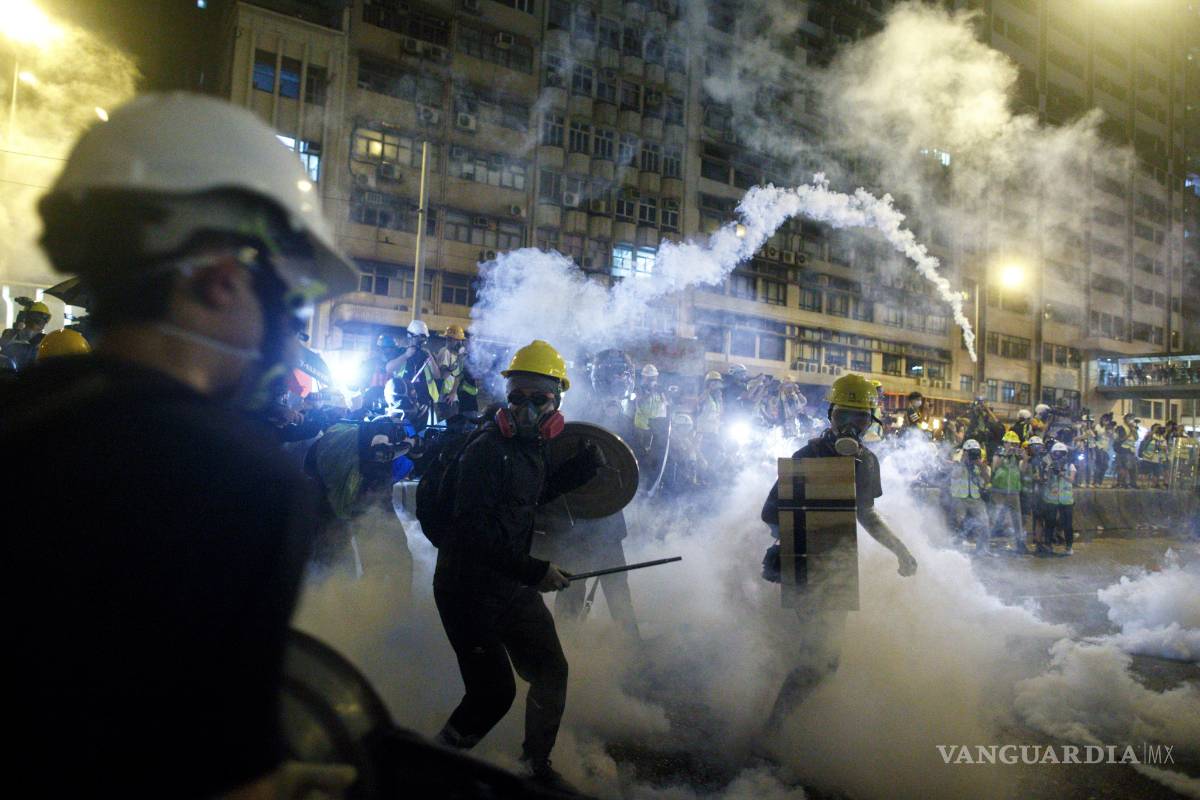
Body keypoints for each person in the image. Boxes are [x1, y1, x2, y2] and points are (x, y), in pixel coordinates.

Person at [2, 94, 360, 798]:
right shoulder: (242, 482)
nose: (283, 331)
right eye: (284, 301)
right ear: (221, 280)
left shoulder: (21, 412)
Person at [433, 339, 604, 789]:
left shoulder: (532, 448)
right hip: (467, 589)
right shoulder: (486, 452)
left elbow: (523, 502)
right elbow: (472, 535)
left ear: (558, 403)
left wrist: (577, 473)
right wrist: (536, 571)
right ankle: (428, 770)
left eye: (538, 399)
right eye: (517, 398)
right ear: (506, 401)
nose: (526, 409)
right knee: (493, 694)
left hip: (509, 586)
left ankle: (535, 768)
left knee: (551, 672)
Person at [760, 373, 917, 728]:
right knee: (821, 659)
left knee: (821, 657)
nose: (850, 425)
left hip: (837, 566)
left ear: (869, 421)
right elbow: (769, 513)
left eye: (858, 417)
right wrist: (795, 533)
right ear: (830, 415)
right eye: (843, 416)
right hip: (805, 564)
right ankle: (774, 729)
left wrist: (900, 551)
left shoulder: (867, 462)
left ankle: (792, 722)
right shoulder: (808, 455)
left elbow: (867, 515)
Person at [949, 439, 992, 554]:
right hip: (960, 497)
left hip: (975, 498)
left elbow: (987, 480)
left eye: (976, 452)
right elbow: (954, 476)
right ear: (965, 452)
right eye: (971, 452)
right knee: (959, 522)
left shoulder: (979, 464)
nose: (974, 455)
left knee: (984, 522)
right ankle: (956, 549)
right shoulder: (958, 461)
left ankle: (983, 549)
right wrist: (962, 462)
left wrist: (981, 466)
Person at [990, 430, 1027, 554]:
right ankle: (986, 542)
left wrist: (1024, 458)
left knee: (1017, 519)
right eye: (1010, 444)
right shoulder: (998, 453)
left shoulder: (1017, 456)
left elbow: (1022, 470)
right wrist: (1005, 454)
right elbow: (995, 467)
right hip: (999, 490)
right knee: (994, 516)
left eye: (1015, 444)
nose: (1013, 446)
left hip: (1013, 491)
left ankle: (1020, 544)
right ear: (1005, 443)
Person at [436, 324, 479, 419]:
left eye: (461, 341)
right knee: (449, 427)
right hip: (444, 398)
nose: (460, 343)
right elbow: (443, 375)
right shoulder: (445, 352)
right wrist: (458, 361)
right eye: (458, 340)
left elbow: (457, 376)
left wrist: (453, 392)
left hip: (452, 398)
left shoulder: (455, 355)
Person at [1041, 442, 1077, 555]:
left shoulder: (1070, 465)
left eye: (1061, 453)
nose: (1058, 455)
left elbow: (1071, 479)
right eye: (1056, 453)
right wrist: (1049, 471)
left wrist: (1062, 474)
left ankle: (1069, 546)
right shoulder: (1048, 464)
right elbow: (1044, 479)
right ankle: (1048, 545)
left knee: (1067, 524)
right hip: (1051, 498)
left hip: (1066, 499)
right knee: (1049, 522)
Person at [0, 299, 52, 369]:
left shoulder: (45, 340)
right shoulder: (10, 334)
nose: (40, 321)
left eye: (42, 319)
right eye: (36, 317)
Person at [1090, 417, 1112, 487]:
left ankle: (1099, 482)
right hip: (1099, 448)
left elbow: (1112, 436)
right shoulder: (1098, 426)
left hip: (1106, 449)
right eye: (1105, 420)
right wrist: (1105, 429)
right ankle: (1095, 482)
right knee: (1099, 465)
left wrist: (1110, 431)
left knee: (1105, 466)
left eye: (1107, 421)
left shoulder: (1109, 428)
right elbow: (1097, 435)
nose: (1106, 422)